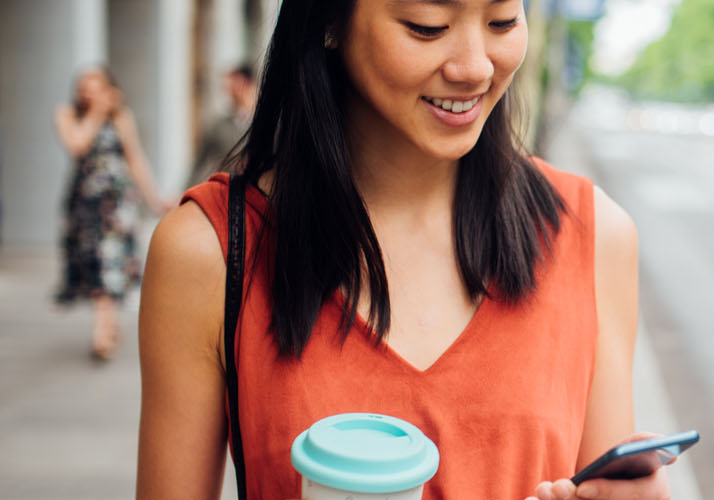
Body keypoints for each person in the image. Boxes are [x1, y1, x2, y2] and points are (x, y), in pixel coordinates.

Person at [135, 1, 663, 499]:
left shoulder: (596, 238)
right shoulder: (208, 253)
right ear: (329, 19)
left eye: (502, 20)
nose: (475, 67)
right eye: (427, 26)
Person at [52, 67, 168, 360]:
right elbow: (77, 144)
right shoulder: (68, 114)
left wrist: (154, 198)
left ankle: (101, 332)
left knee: (110, 262)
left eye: (96, 87)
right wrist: (97, 112)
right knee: (95, 264)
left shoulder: (121, 116)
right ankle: (108, 322)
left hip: (117, 205)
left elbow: (135, 158)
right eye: (85, 87)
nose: (90, 93)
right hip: (85, 205)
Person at [188, 64, 257, 188]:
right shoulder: (219, 126)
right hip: (225, 192)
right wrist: (186, 191)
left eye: (233, 83)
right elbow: (200, 163)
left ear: (247, 83)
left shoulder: (267, 124)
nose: (228, 89)